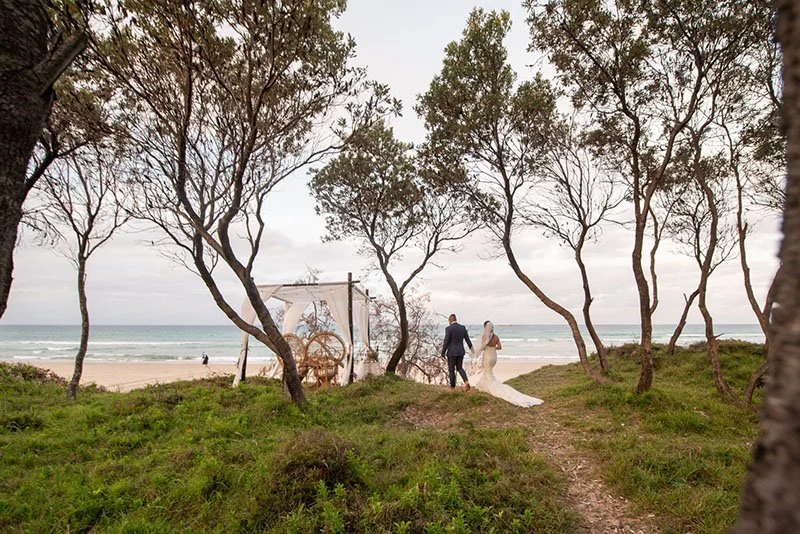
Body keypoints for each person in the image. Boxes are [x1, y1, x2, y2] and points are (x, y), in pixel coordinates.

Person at [472, 321, 543, 407]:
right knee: (489, 372)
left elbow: (483, 347)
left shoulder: (485, 337)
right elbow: (500, 347)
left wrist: (478, 350)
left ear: (485, 328)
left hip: (487, 356)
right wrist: (493, 348)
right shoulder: (496, 337)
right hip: (494, 357)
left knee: (487, 371)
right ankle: (484, 384)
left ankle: (490, 387)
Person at [441, 313, 473, 391]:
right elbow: (467, 340)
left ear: (450, 320)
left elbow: (446, 341)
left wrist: (443, 352)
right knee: (460, 368)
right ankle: (466, 382)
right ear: (456, 320)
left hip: (451, 352)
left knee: (451, 369)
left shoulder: (449, 329)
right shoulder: (462, 328)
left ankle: (452, 387)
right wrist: (472, 349)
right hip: (460, 351)